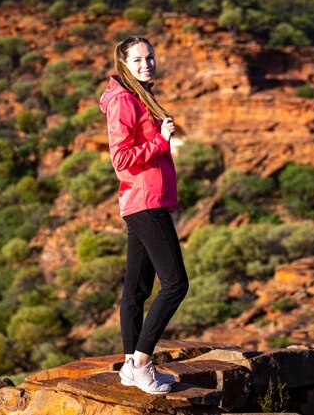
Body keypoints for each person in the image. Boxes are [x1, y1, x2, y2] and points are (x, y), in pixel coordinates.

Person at [99, 36, 189, 395]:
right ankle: (141, 362)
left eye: (149, 57)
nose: (145, 64)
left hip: (145, 200)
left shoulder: (140, 95)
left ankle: (127, 368)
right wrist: (161, 140)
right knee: (175, 284)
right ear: (123, 64)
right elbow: (120, 159)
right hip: (144, 200)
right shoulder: (123, 100)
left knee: (136, 289)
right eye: (136, 60)